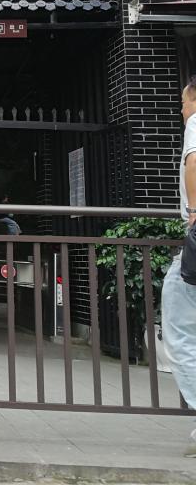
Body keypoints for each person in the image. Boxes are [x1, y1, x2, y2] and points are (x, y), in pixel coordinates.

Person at [162, 77, 196, 457]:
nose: (182, 110)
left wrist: (194, 213)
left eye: (184, 103)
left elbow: (194, 160)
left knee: (177, 330)